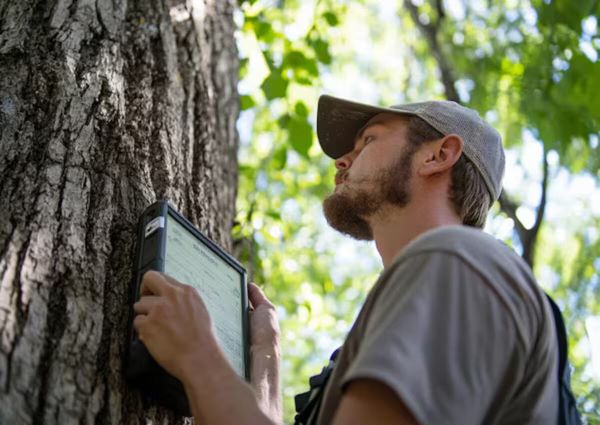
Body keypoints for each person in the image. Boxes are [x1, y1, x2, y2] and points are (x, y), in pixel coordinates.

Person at [133, 95, 559, 424]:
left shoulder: (458, 262)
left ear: (438, 155)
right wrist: (266, 361)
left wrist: (200, 358)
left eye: (369, 139)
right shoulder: (449, 284)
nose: (340, 162)